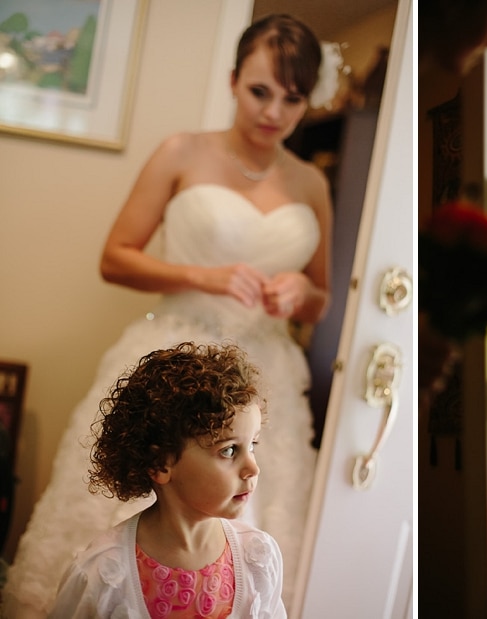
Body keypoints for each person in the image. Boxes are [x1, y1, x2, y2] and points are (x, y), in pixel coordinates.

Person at [3, 13, 338, 617]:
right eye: (261, 91)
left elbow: (323, 294)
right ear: (233, 80)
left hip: (263, 378)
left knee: (248, 508)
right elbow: (114, 258)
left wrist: (298, 295)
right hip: (175, 354)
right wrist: (200, 275)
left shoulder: (311, 182)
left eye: (293, 100)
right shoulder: (182, 151)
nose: (274, 113)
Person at [49, 342, 286, 618]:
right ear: (160, 464)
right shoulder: (104, 573)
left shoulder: (258, 559)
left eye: (253, 445)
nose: (252, 468)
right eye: (229, 450)